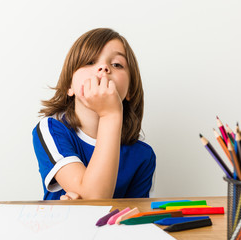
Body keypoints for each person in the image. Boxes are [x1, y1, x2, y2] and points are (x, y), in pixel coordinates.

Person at [32, 28, 156, 200]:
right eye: (90, 62)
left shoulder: (143, 156)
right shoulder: (51, 130)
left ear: (130, 91)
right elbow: (94, 199)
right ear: (70, 86)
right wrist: (110, 115)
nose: (103, 68)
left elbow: (132, 218)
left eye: (117, 64)